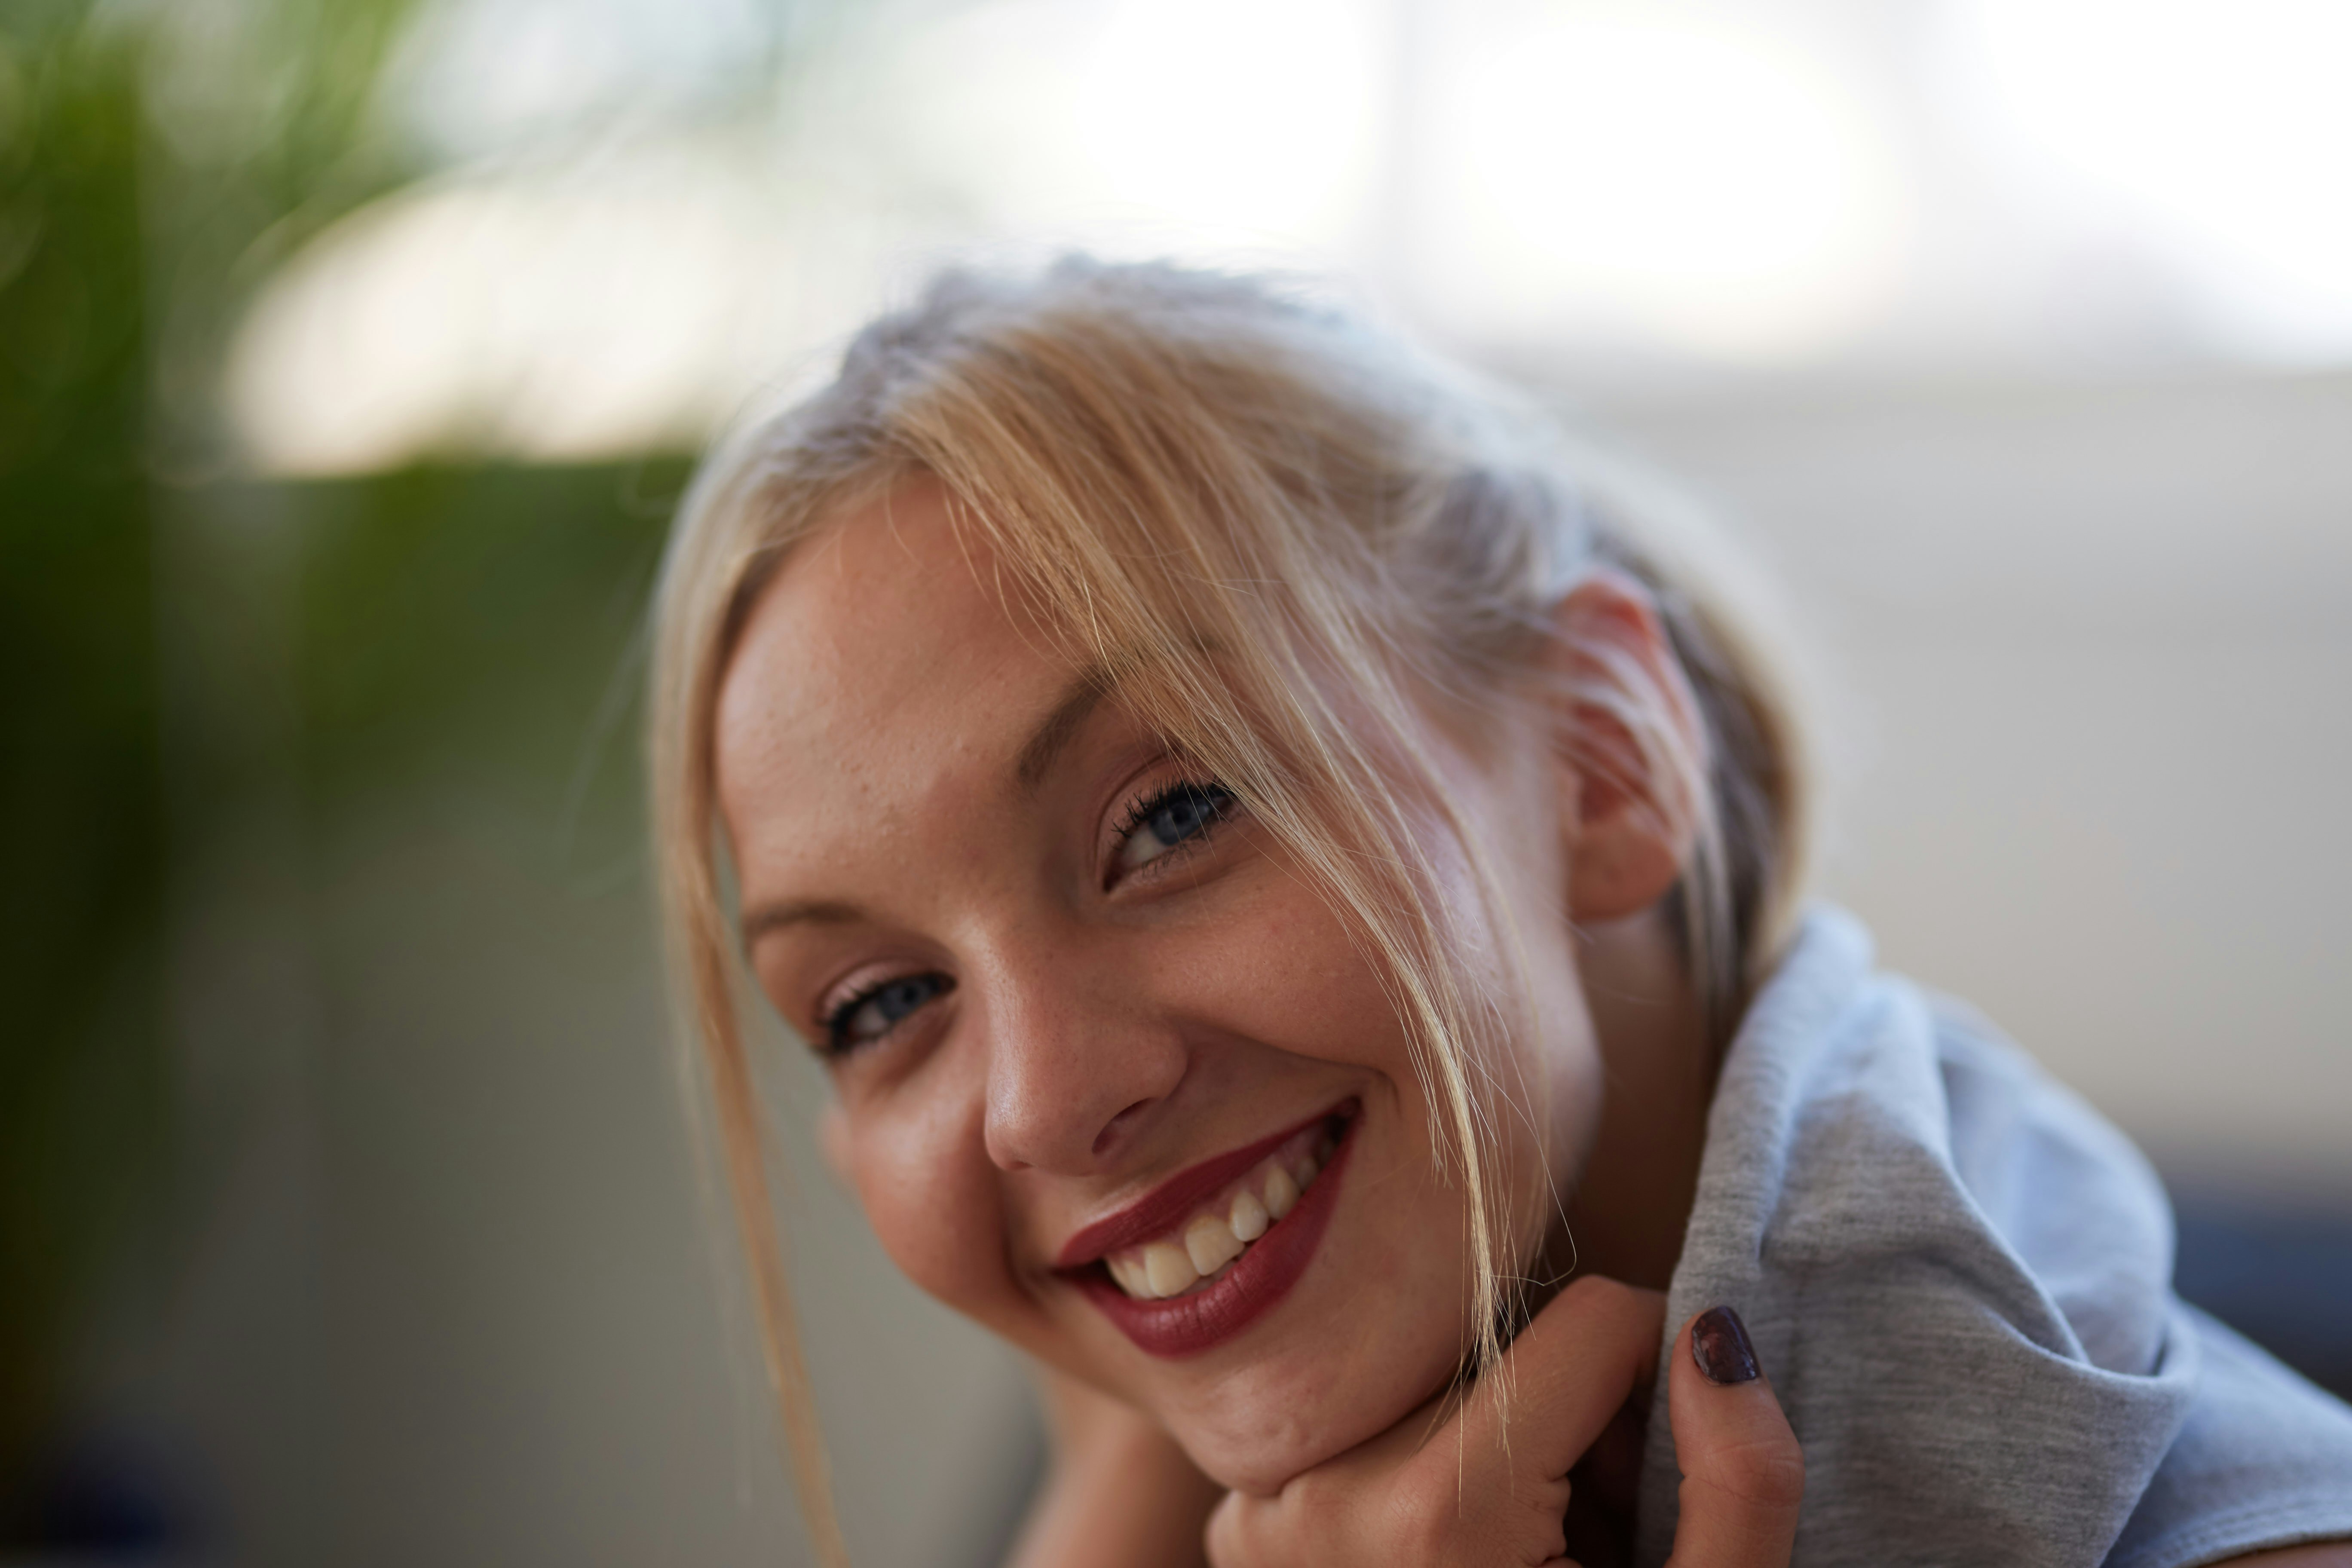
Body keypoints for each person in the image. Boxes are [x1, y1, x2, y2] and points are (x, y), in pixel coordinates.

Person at [645, 259, 2352, 1567]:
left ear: (1601, 763)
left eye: (1173, 813)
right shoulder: (1173, 1405)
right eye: (879, 1004)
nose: (1036, 1104)